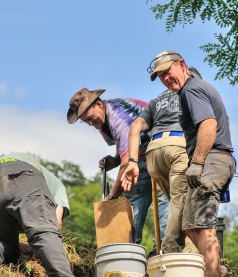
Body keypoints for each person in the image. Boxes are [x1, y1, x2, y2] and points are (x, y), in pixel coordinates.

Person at [149, 51, 236, 277]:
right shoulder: (196, 89)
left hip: (211, 160)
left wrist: (197, 163)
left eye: (168, 72)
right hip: (216, 160)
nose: (165, 78)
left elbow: (208, 124)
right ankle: (219, 274)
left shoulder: (191, 89)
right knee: (188, 223)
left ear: (182, 65)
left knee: (202, 224)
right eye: (160, 76)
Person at [67, 88, 169, 252]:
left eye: (91, 119)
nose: (91, 124)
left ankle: (163, 249)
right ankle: (128, 250)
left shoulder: (118, 117)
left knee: (164, 198)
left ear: (99, 104)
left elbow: (126, 163)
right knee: (133, 197)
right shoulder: (101, 121)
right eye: (87, 122)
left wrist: (111, 198)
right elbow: (123, 150)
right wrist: (114, 160)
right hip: (141, 157)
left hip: (164, 149)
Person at [0, 152, 81, 277]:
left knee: (6, 244)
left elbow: (23, 239)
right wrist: (42, 247)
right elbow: (54, 224)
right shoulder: (58, 188)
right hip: (21, 174)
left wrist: (33, 247)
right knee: (45, 230)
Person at [121, 69, 206, 254]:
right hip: (178, 147)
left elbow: (135, 126)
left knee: (179, 205)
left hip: (154, 153)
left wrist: (133, 162)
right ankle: (170, 251)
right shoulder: (195, 91)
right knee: (180, 203)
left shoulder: (157, 100)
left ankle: (191, 251)